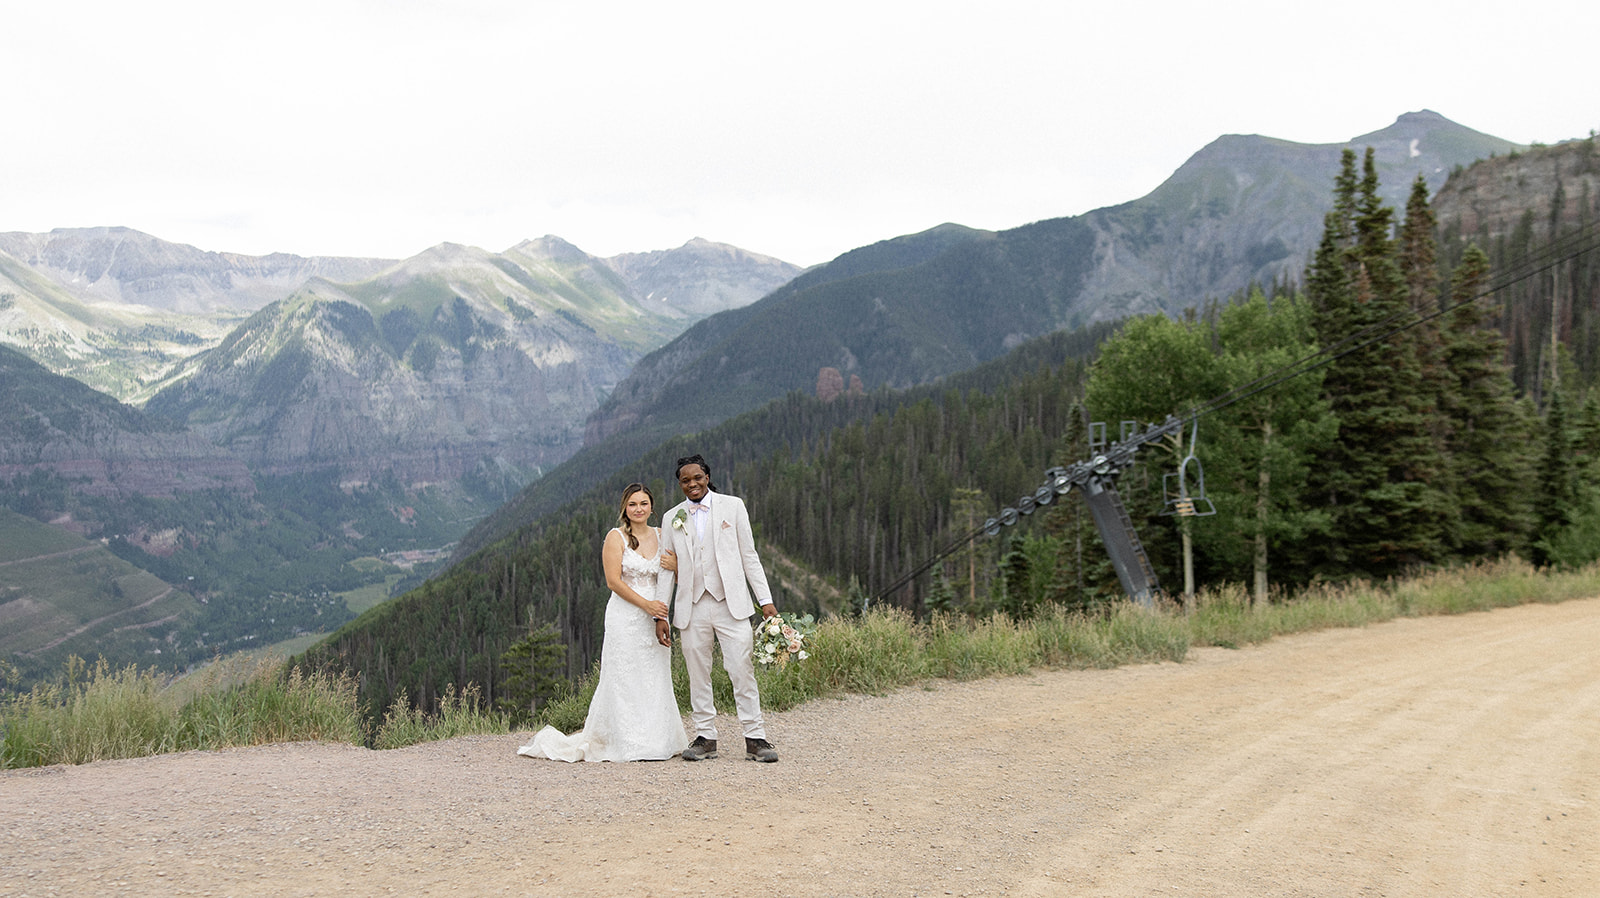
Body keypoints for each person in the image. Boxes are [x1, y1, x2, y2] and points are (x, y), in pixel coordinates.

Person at [518, 483, 688, 762]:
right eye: (633, 504)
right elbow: (613, 581)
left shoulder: (661, 535)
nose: (638, 509)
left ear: (652, 507)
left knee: (654, 673)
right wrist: (646, 606)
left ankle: (659, 738)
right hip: (626, 615)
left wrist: (672, 581)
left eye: (643, 503)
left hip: (656, 614)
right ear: (624, 507)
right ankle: (627, 740)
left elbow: (672, 577)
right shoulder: (616, 537)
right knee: (624, 674)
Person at [655, 454, 780, 762]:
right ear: (680, 484)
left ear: (707, 477)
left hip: (731, 603)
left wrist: (766, 601)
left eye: (697, 477)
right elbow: (666, 569)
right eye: (685, 480)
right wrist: (661, 613)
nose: (692, 484)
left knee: (741, 668)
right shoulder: (672, 517)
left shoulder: (733, 506)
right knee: (698, 673)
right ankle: (705, 737)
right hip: (691, 605)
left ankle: (755, 737)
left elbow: (749, 556)